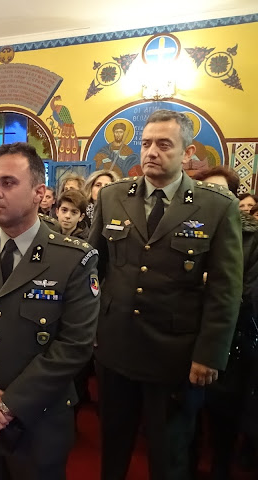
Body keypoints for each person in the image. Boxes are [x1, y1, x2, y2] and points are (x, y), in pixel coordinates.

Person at [88, 110, 243, 480]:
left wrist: (209, 354)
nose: (151, 152)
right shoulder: (112, 196)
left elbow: (225, 289)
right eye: (146, 144)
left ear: (187, 152)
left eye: (163, 144)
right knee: (113, 446)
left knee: (169, 453)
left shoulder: (217, 206)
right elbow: (92, 269)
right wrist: (88, 329)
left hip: (175, 355)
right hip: (116, 346)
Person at [0, 142, 99, 480]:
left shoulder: (73, 258)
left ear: (39, 193)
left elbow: (75, 345)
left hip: (39, 419)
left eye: (8, 183)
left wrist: (10, 404)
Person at [190, 166, 258, 480]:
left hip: (232, 342)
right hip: (184, 338)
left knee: (223, 416)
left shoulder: (251, 238)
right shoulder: (186, 230)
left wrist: (215, 288)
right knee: (187, 420)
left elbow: (248, 295)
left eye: (221, 192)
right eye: (206, 191)